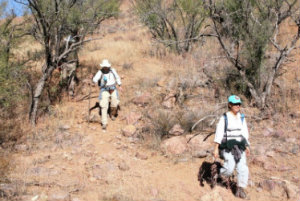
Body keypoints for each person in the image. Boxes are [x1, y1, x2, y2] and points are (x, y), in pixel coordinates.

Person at [213, 95, 250, 199]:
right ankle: (220, 175)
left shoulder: (241, 117)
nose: (237, 106)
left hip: (239, 147)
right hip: (227, 146)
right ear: (229, 105)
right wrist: (216, 148)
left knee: (243, 168)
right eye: (235, 104)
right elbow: (219, 133)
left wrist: (247, 146)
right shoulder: (224, 118)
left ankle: (240, 189)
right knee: (229, 167)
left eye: (239, 104)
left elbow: (244, 133)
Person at [92, 59, 122, 131]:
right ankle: (104, 123)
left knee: (115, 103)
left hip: (113, 89)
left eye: (106, 66)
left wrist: (120, 85)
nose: (105, 68)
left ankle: (112, 114)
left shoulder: (112, 70)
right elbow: (95, 79)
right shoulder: (100, 72)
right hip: (104, 90)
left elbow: (117, 77)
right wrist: (93, 80)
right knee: (104, 106)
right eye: (104, 66)